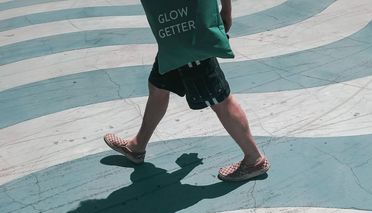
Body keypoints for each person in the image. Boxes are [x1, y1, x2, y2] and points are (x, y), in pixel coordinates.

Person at [104, 0, 270, 181]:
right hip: (176, 34)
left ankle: (254, 158)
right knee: (158, 86)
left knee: (220, 99)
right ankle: (137, 147)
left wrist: (226, 11)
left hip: (190, 32)